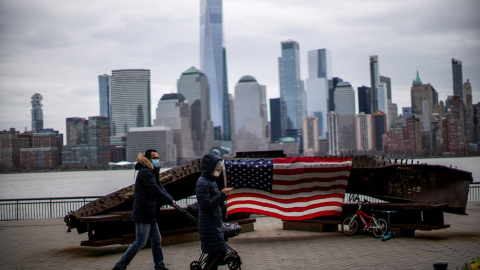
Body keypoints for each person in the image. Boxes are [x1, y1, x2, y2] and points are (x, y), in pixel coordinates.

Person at [113, 149, 175, 270]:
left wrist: (170, 199)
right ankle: (120, 266)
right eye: (154, 158)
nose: (157, 160)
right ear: (148, 159)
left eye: (158, 158)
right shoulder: (145, 172)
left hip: (150, 213)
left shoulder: (152, 171)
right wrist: (169, 200)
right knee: (140, 242)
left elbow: (160, 187)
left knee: (156, 240)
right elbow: (154, 190)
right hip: (143, 212)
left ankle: (160, 266)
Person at [195, 153, 233, 270]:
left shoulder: (211, 181)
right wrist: (221, 195)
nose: (219, 171)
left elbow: (215, 203)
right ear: (210, 168)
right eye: (217, 168)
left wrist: (223, 198)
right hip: (208, 224)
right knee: (219, 253)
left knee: (215, 254)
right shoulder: (203, 182)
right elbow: (206, 204)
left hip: (214, 222)